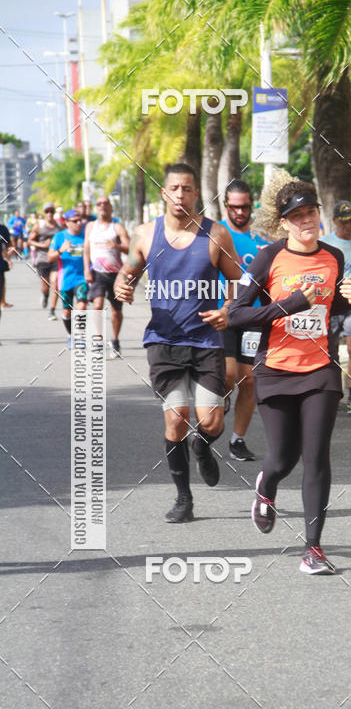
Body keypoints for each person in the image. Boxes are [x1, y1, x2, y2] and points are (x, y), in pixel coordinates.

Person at [228, 180, 351, 574]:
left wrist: (346, 298)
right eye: (296, 216)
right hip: (275, 368)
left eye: (310, 213)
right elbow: (236, 314)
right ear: (284, 223)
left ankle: (313, 548)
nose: (305, 221)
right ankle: (267, 485)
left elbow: (329, 303)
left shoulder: (334, 256)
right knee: (283, 457)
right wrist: (286, 305)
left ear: (319, 214)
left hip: (320, 369)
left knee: (317, 456)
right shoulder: (268, 259)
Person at [114, 162, 241, 523]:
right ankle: (183, 499)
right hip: (163, 341)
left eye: (187, 188)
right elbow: (127, 274)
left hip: (206, 341)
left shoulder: (216, 235)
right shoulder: (144, 234)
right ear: (163, 192)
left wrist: (228, 309)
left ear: (196, 193)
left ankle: (202, 445)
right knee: (176, 420)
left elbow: (237, 280)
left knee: (211, 422)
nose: (180, 195)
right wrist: (122, 285)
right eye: (174, 188)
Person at [219, 179, 271, 460]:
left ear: (252, 205)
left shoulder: (263, 235)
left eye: (245, 207)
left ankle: (237, 440)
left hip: (253, 315)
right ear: (226, 205)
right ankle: (223, 399)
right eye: (235, 207)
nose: (240, 212)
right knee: (227, 375)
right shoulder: (215, 233)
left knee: (249, 381)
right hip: (223, 313)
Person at [320, 200, 351, 413]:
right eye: (343, 222)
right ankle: (332, 393)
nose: (348, 226)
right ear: (334, 221)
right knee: (330, 350)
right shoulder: (324, 242)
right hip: (332, 302)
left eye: (350, 221)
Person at [84, 195, 130, 358]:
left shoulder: (117, 227)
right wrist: (86, 270)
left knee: (116, 311)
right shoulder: (90, 226)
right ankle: (98, 341)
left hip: (116, 274)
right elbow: (86, 249)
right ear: (97, 208)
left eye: (105, 203)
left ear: (111, 207)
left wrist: (117, 246)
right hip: (97, 273)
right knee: (97, 306)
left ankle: (115, 340)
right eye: (99, 204)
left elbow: (130, 248)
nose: (102, 206)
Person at [47, 208, 88, 349]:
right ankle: (71, 335)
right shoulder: (59, 237)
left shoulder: (86, 235)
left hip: (82, 278)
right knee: (67, 311)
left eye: (80, 220)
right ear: (67, 222)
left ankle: (81, 336)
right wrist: (61, 250)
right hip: (65, 279)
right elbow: (49, 257)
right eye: (74, 221)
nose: (78, 223)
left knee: (82, 306)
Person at [28, 203, 60, 310]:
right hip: (42, 259)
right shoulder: (39, 226)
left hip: (55, 258)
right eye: (47, 211)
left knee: (55, 284)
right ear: (44, 213)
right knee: (45, 287)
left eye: (51, 211)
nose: (49, 213)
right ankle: (45, 296)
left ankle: (52, 309)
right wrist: (42, 245)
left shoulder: (59, 226)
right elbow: (30, 241)